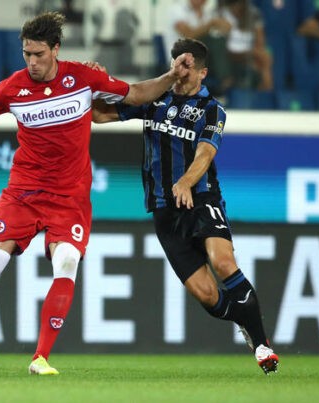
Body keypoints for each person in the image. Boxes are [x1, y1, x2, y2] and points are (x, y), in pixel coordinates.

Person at [0, 11, 194, 375]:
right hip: (23, 193)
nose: (32, 62)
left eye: (39, 54)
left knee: (66, 263)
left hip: (69, 198)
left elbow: (135, 94)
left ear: (56, 49)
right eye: (27, 54)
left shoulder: (83, 78)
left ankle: (40, 358)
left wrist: (171, 76)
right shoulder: (12, 88)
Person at [90, 37, 279, 375]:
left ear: (202, 72)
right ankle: (244, 319)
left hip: (201, 198)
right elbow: (99, 115)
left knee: (223, 262)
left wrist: (186, 182)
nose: (180, 69)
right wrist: (95, 85)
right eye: (176, 62)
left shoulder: (212, 110)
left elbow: (206, 152)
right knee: (206, 295)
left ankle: (262, 344)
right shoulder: (154, 99)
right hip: (164, 209)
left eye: (187, 64)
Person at [165, 0, 232, 95]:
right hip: (179, 56)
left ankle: (226, 83)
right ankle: (225, 81)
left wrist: (223, 22)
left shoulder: (207, 12)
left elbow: (227, 28)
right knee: (215, 42)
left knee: (220, 41)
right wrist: (211, 24)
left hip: (201, 56)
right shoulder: (177, 10)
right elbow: (188, 34)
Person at [220, 0, 273, 91]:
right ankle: (265, 90)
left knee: (266, 56)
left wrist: (258, 52)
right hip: (229, 55)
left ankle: (265, 92)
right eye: (235, 6)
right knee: (260, 58)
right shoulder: (222, 13)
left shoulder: (254, 13)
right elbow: (221, 46)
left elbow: (260, 39)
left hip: (250, 53)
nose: (237, 8)